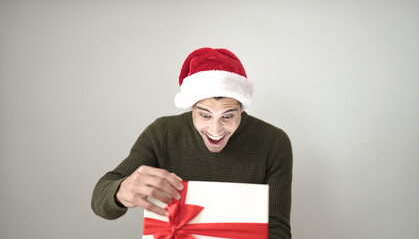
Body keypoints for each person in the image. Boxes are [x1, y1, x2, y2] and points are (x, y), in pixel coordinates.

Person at [91, 47, 293, 238]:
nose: (215, 130)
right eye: (205, 115)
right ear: (190, 108)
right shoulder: (162, 134)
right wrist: (121, 191)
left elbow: (277, 230)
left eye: (228, 116)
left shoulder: (273, 143)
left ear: (241, 108)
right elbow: (100, 200)